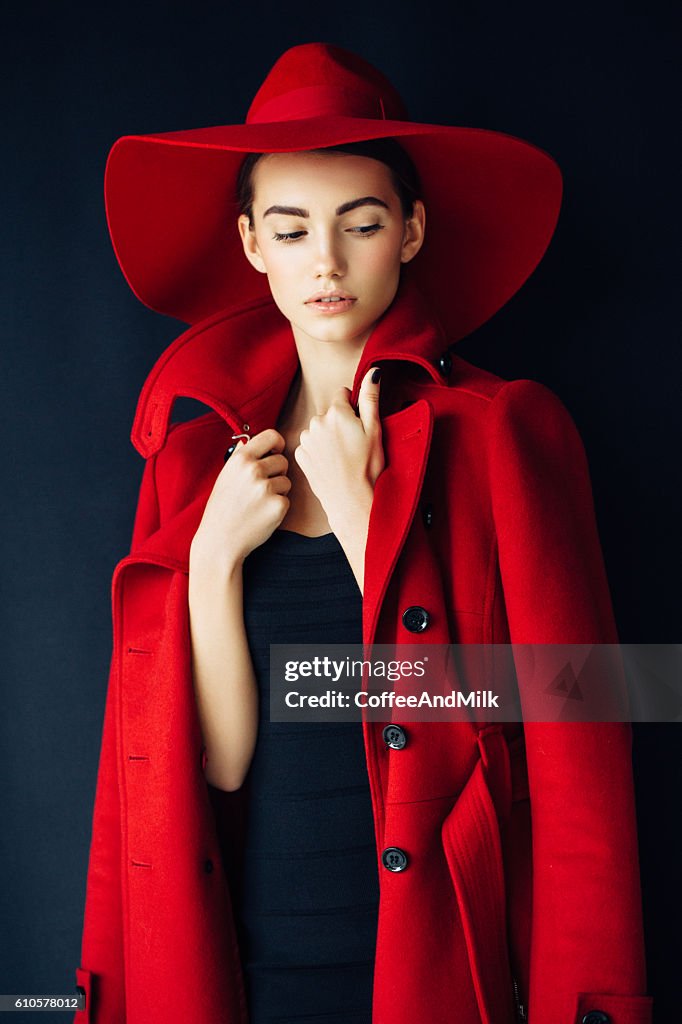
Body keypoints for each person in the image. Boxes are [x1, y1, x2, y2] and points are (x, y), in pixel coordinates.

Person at [73, 42, 653, 1024]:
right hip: (246, 962)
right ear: (252, 243)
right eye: (293, 230)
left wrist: (361, 523)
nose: (327, 263)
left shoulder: (503, 430)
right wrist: (210, 560)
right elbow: (212, 769)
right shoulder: (190, 469)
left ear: (412, 231)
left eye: (362, 222)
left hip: (432, 964)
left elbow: (585, 713)